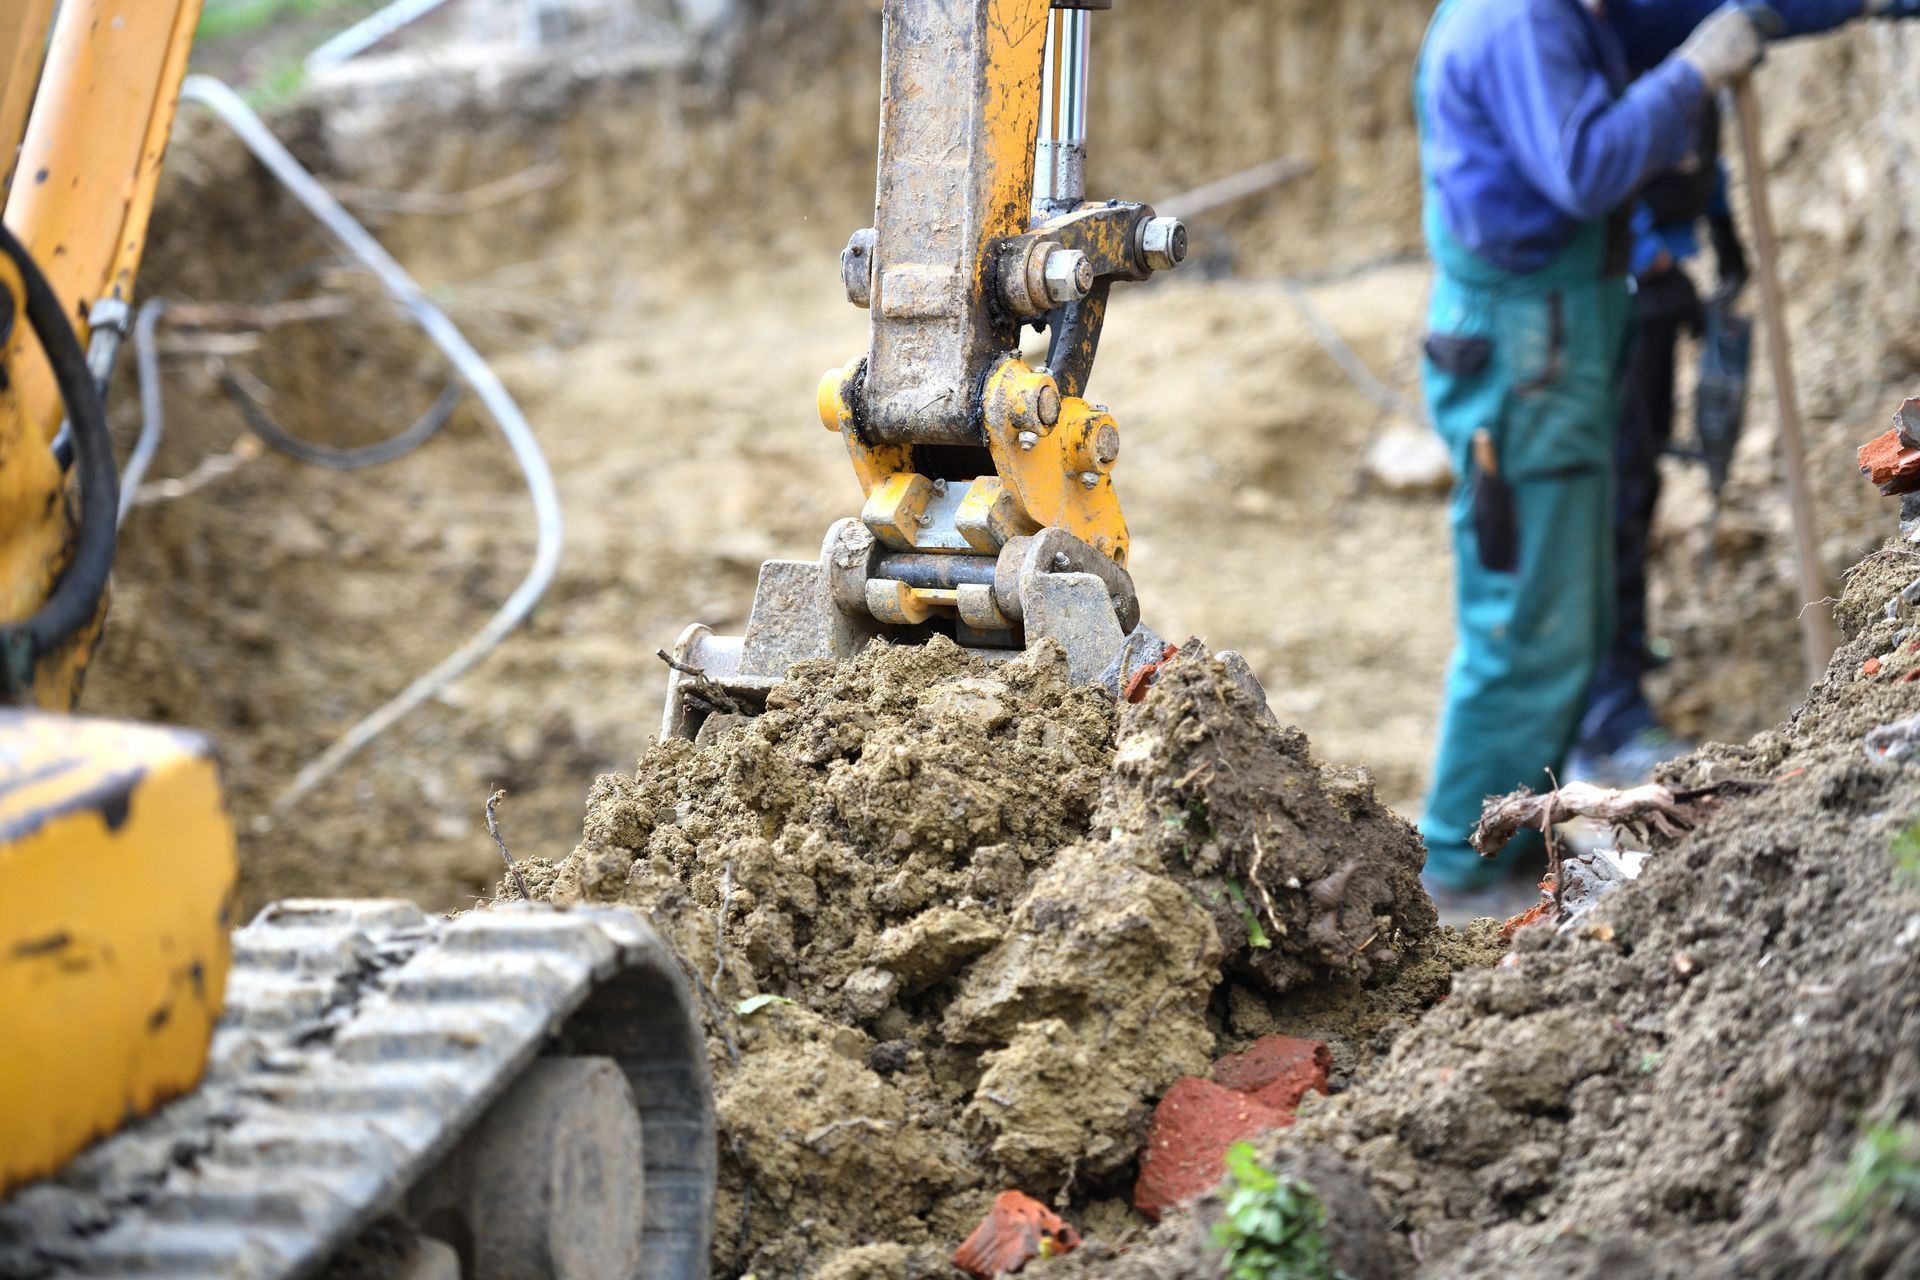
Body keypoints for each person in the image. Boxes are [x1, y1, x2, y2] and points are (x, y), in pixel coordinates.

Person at [1414, 0, 1920, 917]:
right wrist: (1694, 74)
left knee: (1569, 607)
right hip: (1525, 354)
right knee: (1527, 620)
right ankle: (1461, 869)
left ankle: (1509, 838)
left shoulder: (1570, 12)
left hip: (1555, 336)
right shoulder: (1520, 20)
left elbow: (1706, 12)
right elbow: (1586, 166)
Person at [1569, 102, 1747, 786]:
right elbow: (1598, 172)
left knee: (1637, 488)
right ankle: (1604, 716)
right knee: (1614, 502)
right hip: (1610, 299)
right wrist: (1647, 256)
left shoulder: (1679, 55)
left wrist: (1723, 226)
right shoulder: (1611, 54)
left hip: (1652, 298)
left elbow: (1706, 153)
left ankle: (1625, 658)